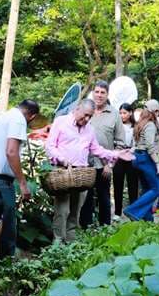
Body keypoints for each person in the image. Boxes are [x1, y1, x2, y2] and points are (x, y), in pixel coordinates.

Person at [45, 100, 131, 242]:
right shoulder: (61, 122)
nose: (86, 119)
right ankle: (58, 242)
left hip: (82, 175)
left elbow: (96, 149)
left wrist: (116, 154)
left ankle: (70, 241)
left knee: (75, 210)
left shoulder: (89, 129)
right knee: (62, 210)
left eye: (89, 117)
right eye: (84, 115)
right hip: (63, 172)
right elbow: (50, 146)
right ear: (77, 109)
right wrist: (61, 159)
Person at [0, 99, 40, 257]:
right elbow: (11, 152)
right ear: (32, 116)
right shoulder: (19, 119)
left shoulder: (4, 117)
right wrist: (23, 183)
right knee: (5, 231)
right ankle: (7, 271)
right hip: (0, 183)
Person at [80, 80, 125, 229]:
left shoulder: (114, 114)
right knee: (85, 197)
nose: (99, 95)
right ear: (93, 93)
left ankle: (105, 228)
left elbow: (120, 143)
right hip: (84, 162)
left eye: (102, 93)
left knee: (103, 196)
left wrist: (110, 165)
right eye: (97, 92)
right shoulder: (85, 110)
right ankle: (86, 227)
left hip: (104, 164)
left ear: (107, 95)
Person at [123, 102, 159, 221]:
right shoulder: (150, 125)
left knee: (146, 189)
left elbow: (136, 143)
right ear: (154, 112)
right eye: (157, 112)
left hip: (137, 158)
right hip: (146, 158)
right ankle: (132, 210)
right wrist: (157, 163)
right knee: (157, 188)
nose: (158, 114)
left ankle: (148, 220)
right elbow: (150, 146)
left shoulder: (140, 123)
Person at [113, 103, 139, 218]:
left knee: (133, 183)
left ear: (130, 113)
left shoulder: (136, 126)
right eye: (120, 113)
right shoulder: (116, 125)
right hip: (119, 155)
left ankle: (133, 211)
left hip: (131, 155)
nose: (122, 115)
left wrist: (132, 150)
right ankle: (117, 212)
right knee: (118, 183)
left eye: (124, 113)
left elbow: (138, 142)